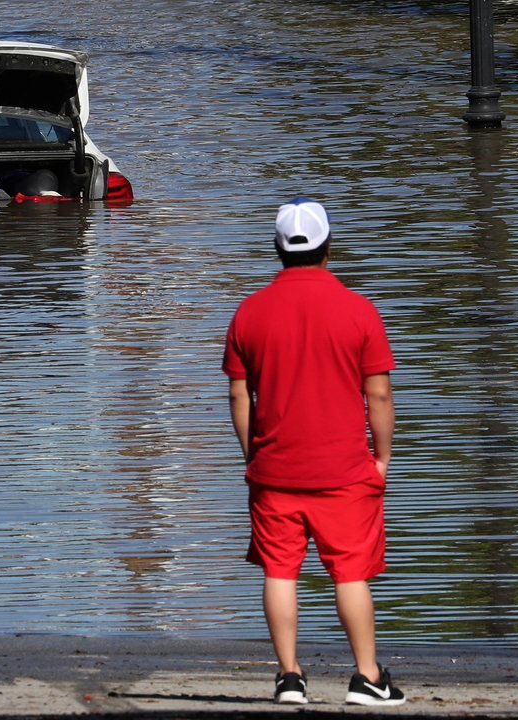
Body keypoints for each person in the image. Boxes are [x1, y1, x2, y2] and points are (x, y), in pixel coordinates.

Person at [222, 198, 404, 706]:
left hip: (274, 469)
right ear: (329, 249)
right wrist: (382, 459)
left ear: (277, 251)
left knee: (280, 570)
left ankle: (289, 678)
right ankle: (368, 677)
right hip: (344, 469)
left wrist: (251, 454)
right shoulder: (359, 310)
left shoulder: (250, 313)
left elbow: (240, 395)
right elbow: (380, 395)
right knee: (350, 572)